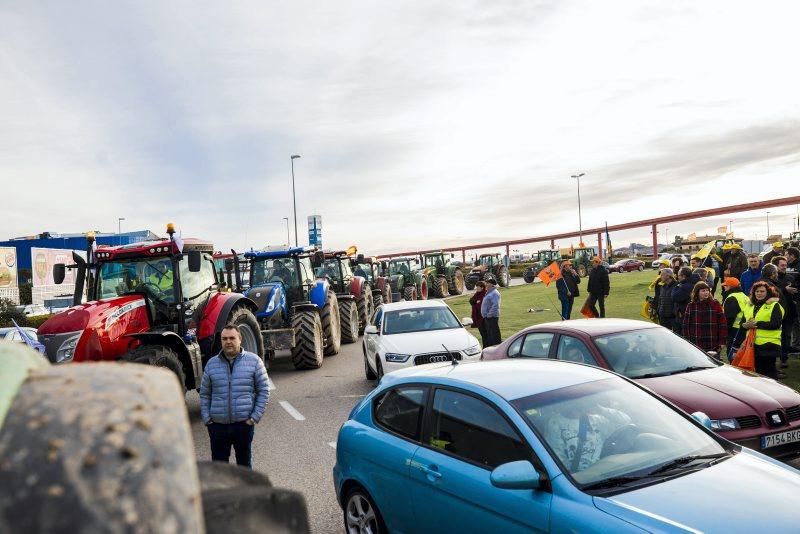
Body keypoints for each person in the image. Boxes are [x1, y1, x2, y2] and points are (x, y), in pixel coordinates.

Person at [200, 325, 269, 469]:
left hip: (243, 425)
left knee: (244, 467)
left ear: (240, 339)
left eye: (232, 338)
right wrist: (207, 418)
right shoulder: (211, 364)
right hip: (218, 427)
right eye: (224, 339)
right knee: (220, 471)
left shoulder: (254, 361)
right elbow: (205, 394)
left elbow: (263, 390)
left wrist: (254, 417)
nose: (228, 342)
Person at [741, 281, 784, 379]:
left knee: (769, 373)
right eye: (757, 291)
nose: (759, 293)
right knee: (757, 372)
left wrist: (756, 324)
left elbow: (776, 324)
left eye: (762, 291)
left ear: (767, 292)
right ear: (753, 293)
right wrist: (745, 325)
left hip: (769, 344)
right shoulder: (749, 305)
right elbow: (742, 324)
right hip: (752, 344)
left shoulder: (774, 305)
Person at [681, 282, 727, 355]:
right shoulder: (691, 305)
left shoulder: (715, 304)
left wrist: (722, 341)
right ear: (697, 292)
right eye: (703, 291)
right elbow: (685, 325)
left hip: (713, 342)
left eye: (707, 290)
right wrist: (687, 341)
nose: (706, 292)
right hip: (696, 342)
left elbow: (722, 323)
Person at [771, 256, 797, 368]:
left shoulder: (791, 277)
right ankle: (772, 357)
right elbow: (772, 292)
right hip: (775, 311)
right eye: (782, 265)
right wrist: (784, 289)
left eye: (786, 265)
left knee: (786, 336)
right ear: (776, 266)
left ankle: (783, 358)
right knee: (774, 335)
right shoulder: (772, 280)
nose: (785, 267)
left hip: (789, 311)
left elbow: (795, 290)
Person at [722, 277, 749, 361]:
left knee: (732, 354)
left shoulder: (732, 298)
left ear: (729, 287)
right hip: (744, 329)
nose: (724, 287)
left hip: (735, 330)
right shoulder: (744, 296)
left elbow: (729, 318)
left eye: (725, 286)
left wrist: (726, 333)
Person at [671, 267, 698, 337]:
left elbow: (674, 297)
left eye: (679, 275)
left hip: (684, 315)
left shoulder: (686, 286)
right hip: (685, 314)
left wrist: (677, 286)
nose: (677, 277)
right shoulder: (689, 283)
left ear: (683, 276)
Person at [480, 277, 502, 346]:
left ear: (492, 284)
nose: (486, 284)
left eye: (488, 283)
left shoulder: (494, 293)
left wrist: (489, 314)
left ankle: (496, 347)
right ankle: (491, 348)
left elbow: (496, 305)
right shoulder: (489, 292)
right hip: (488, 317)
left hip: (492, 317)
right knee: (490, 334)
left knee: (494, 334)